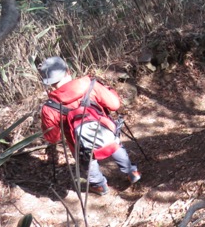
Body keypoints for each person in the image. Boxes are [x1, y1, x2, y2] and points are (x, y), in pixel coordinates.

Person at [38, 56, 140, 196]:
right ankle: (131, 172)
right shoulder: (90, 85)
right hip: (104, 131)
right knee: (113, 144)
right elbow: (115, 105)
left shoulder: (49, 108)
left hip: (80, 146)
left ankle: (99, 186)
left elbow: (52, 138)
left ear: (48, 82)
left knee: (87, 162)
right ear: (68, 70)